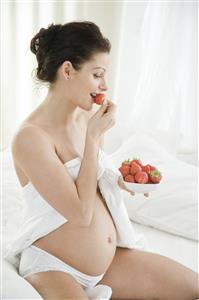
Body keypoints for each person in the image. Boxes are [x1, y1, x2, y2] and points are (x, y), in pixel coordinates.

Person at [7, 21, 198, 299]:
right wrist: (93, 137)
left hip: (109, 263)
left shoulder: (86, 118)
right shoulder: (30, 138)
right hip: (55, 267)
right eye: (97, 74)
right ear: (68, 70)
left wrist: (119, 180)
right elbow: (81, 214)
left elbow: (90, 177)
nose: (104, 85)